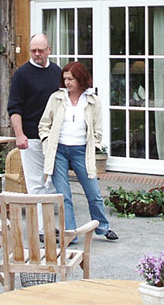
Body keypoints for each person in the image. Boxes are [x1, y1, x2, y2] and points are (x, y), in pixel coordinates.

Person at [38, 62, 117, 241]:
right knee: (64, 195)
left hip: (81, 151)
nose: (67, 82)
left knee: (94, 193)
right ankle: (70, 234)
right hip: (59, 151)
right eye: (65, 79)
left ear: (80, 79)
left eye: (70, 79)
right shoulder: (56, 98)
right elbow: (44, 125)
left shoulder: (92, 101)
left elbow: (98, 130)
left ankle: (103, 227)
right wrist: (46, 141)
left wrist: (93, 145)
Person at [7, 34, 62, 195]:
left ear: (49, 50)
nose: (37, 54)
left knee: (55, 182)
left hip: (54, 137)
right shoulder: (21, 75)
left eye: (40, 50)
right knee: (35, 184)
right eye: (33, 51)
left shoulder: (57, 72)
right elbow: (14, 107)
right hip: (31, 138)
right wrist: (19, 135)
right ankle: (38, 219)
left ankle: (50, 218)